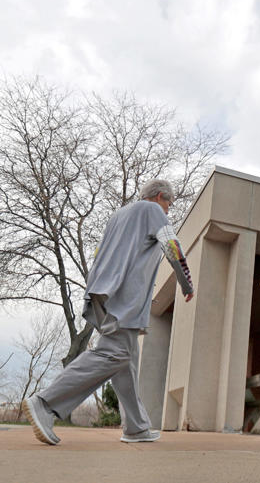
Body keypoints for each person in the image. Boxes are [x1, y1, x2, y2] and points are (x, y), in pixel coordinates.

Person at [23, 179, 195, 445]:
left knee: (126, 361)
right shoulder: (152, 212)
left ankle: (136, 427)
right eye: (169, 204)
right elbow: (171, 245)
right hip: (125, 297)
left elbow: (98, 252)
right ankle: (46, 403)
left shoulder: (119, 216)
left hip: (104, 293)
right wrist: (186, 281)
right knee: (114, 353)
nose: (168, 211)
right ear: (160, 196)